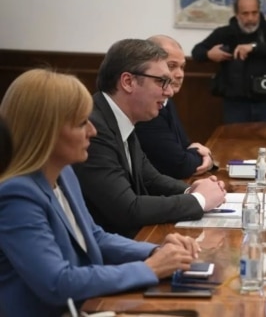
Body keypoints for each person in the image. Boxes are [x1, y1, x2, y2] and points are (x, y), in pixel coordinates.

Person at [0, 69, 203, 316]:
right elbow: (57, 283)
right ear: (46, 132)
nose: (92, 131)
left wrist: (155, 251)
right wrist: (150, 269)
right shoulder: (17, 196)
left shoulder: (65, 174)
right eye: (81, 123)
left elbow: (94, 237)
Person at [73, 39, 226, 238]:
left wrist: (191, 190)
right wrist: (199, 200)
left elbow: (150, 178)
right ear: (128, 82)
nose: (169, 91)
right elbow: (127, 208)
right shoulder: (94, 127)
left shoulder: (120, 117)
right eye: (161, 81)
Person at [192, 0, 266, 123]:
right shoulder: (225, 33)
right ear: (237, 14)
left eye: (254, 13)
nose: (250, 18)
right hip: (235, 105)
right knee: (234, 142)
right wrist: (209, 54)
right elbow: (196, 52)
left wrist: (253, 47)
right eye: (245, 13)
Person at [135, 35, 215, 179]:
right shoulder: (147, 106)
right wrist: (203, 155)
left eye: (182, 67)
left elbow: (184, 146)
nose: (180, 75)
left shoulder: (167, 100)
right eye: (171, 66)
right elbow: (179, 165)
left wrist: (194, 152)